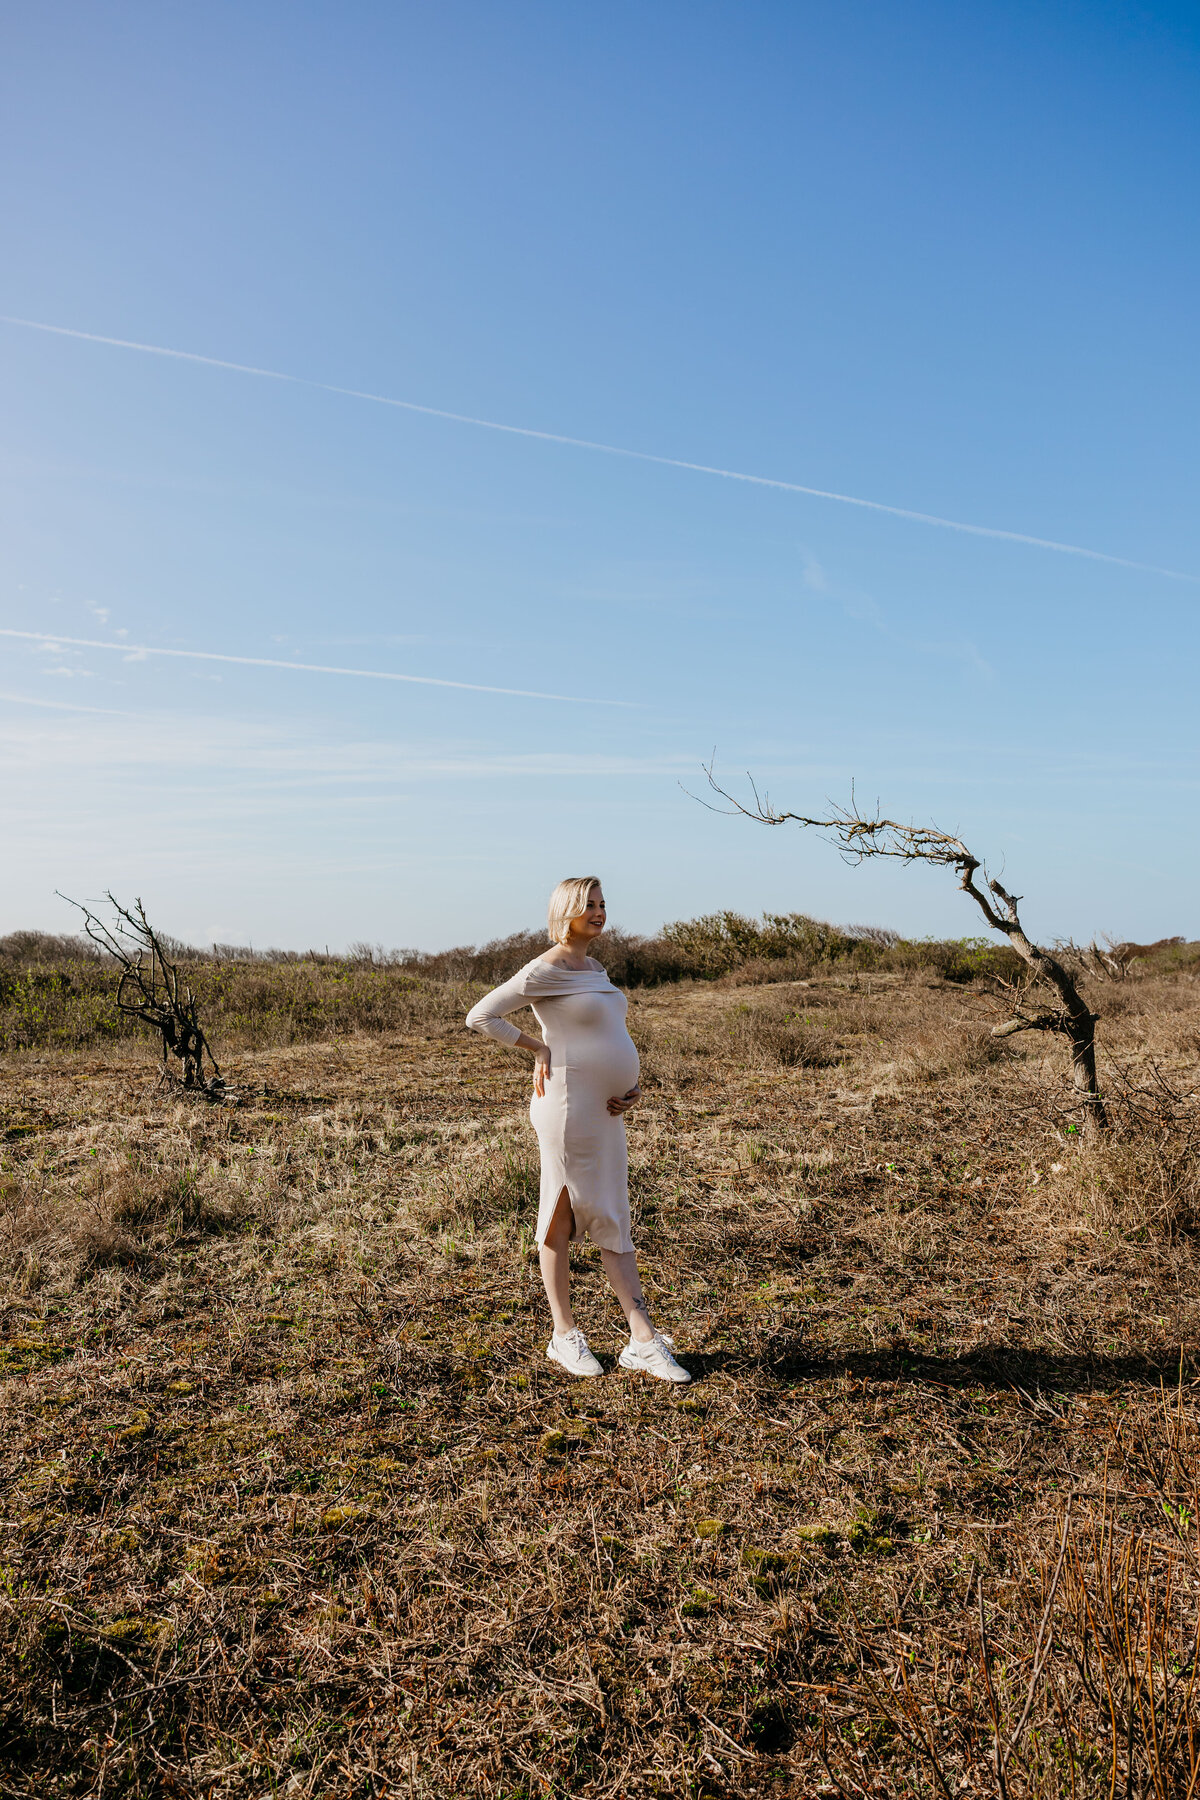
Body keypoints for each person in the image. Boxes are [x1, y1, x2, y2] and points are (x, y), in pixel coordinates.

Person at [465, 877, 690, 1384]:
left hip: (607, 1111)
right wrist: (538, 1048)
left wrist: (630, 1084)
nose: (598, 911)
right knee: (561, 1213)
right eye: (587, 904)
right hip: (566, 1107)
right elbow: (481, 1016)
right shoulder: (544, 968)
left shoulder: (594, 968)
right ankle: (567, 1335)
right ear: (564, 911)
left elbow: (607, 1033)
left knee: (611, 1210)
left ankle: (640, 1341)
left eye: (603, 903)